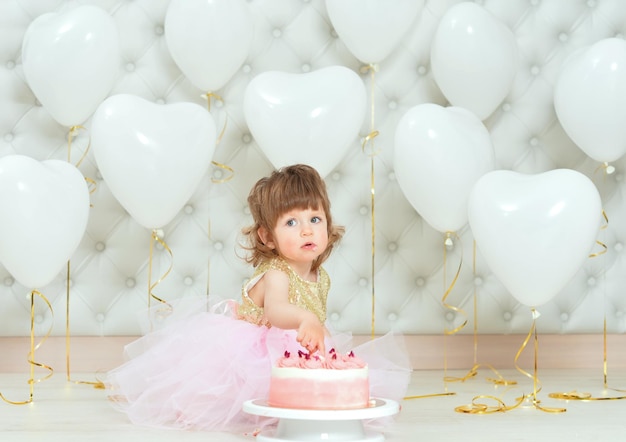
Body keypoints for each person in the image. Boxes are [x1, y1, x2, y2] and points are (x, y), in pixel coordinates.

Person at [105, 164, 410, 433]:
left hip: (292, 351)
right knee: (246, 394)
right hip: (250, 351)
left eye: (315, 219)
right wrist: (306, 319)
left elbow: (315, 315)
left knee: (323, 386)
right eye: (291, 222)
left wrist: (326, 349)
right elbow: (277, 312)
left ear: (328, 224)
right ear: (266, 237)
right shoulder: (276, 273)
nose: (306, 230)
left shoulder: (321, 277)